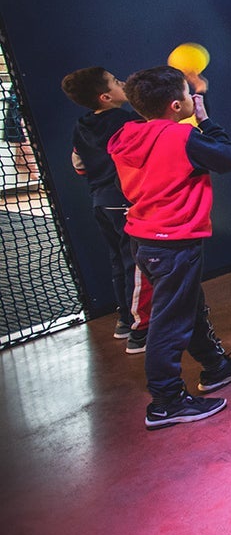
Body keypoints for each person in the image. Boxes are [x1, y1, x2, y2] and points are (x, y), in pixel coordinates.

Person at [107, 66, 231, 429]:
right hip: (174, 242)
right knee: (169, 324)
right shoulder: (181, 138)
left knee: (188, 307)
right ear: (177, 105)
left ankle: (215, 367)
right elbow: (228, 157)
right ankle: (165, 402)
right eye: (187, 95)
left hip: (146, 241)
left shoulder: (126, 134)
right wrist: (206, 118)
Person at [60, 67, 152, 353]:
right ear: (106, 97)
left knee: (119, 261)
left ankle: (125, 320)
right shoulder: (126, 123)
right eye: (115, 81)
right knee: (136, 265)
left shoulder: (82, 125)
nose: (122, 82)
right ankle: (140, 331)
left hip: (101, 202)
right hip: (125, 202)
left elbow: (79, 166)